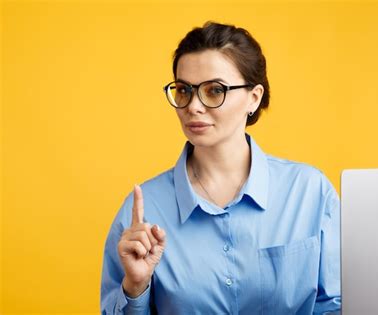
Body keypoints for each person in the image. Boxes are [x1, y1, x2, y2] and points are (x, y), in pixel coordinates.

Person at [100, 21, 341, 315]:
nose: (193, 106)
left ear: (253, 98)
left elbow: (337, 305)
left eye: (214, 90)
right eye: (183, 90)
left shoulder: (309, 192)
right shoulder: (142, 211)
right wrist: (135, 288)